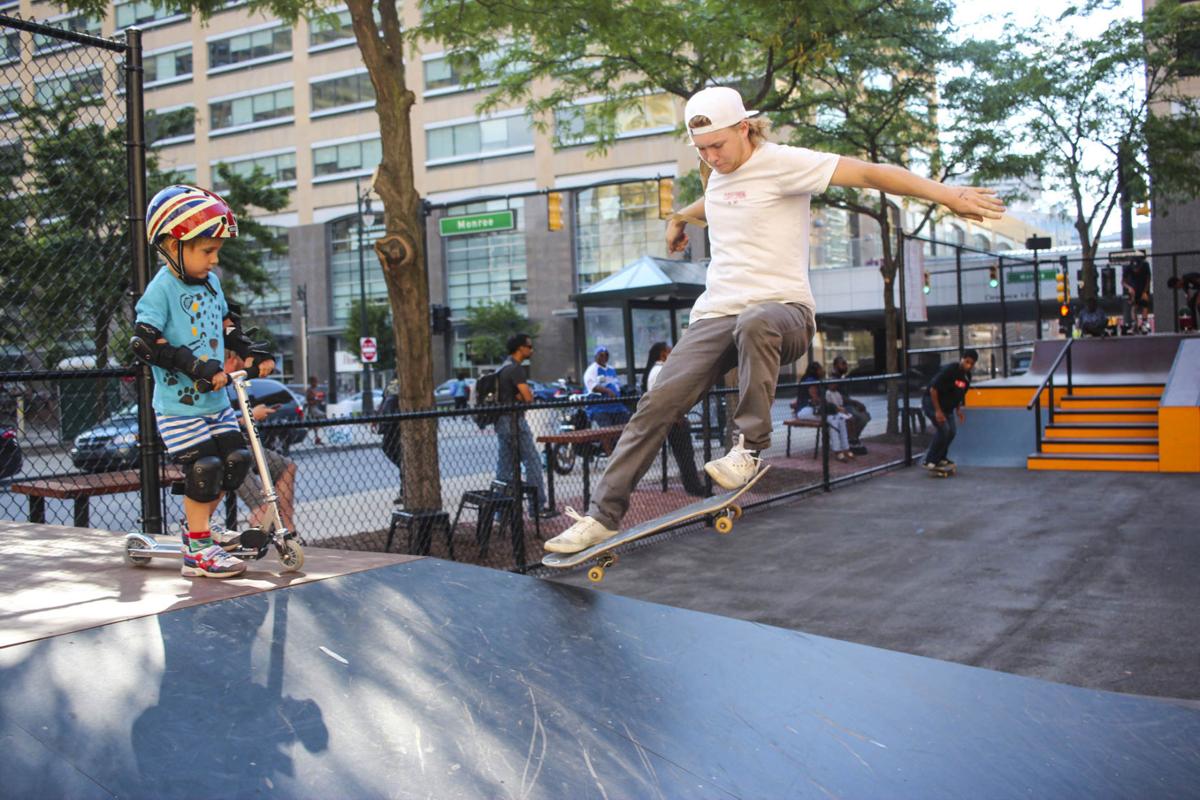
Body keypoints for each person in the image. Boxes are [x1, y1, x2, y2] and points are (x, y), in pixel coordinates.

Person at [544, 86, 1003, 553]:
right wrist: (679, 217)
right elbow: (721, 202)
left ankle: (749, 448)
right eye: (701, 151)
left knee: (755, 321)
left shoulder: (785, 162)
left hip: (784, 313)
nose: (712, 158)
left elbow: (869, 172)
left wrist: (947, 195)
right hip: (716, 314)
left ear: (744, 128)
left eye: (718, 146)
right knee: (656, 404)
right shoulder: (716, 173)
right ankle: (602, 517)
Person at [132, 184, 275, 578]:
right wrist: (197, 367)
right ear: (172, 244)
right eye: (206, 251)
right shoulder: (161, 290)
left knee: (236, 461)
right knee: (205, 467)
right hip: (180, 407)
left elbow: (226, 325)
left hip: (215, 403)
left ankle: (199, 530)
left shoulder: (211, 284)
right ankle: (197, 552)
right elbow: (145, 344)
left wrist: (252, 353)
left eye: (216, 252)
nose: (214, 260)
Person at [225, 354, 297, 534]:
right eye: (244, 362)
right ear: (234, 359)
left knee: (287, 466)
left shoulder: (231, 384)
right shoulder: (211, 382)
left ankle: (287, 527)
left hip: (240, 447)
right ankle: (259, 527)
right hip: (223, 451)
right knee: (239, 461)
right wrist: (247, 418)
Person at [494, 333, 556, 518]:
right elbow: (528, 397)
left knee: (504, 467)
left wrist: (520, 396)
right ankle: (537, 507)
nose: (531, 350)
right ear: (520, 348)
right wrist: (524, 396)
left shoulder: (502, 368)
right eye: (529, 346)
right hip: (514, 421)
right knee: (533, 462)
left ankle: (500, 511)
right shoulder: (516, 369)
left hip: (501, 421)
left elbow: (520, 395)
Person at [644, 342, 705, 496]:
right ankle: (693, 487)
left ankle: (693, 485)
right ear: (662, 354)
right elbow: (665, 396)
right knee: (684, 454)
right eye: (669, 351)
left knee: (685, 454)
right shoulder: (660, 371)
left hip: (670, 416)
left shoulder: (658, 370)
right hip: (671, 418)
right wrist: (676, 415)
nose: (672, 353)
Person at [922, 350, 977, 471]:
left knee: (952, 431)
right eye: (966, 361)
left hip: (947, 406)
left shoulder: (967, 378)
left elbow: (959, 394)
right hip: (932, 402)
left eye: (971, 364)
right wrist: (938, 411)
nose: (968, 365)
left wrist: (958, 410)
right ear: (962, 359)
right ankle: (930, 460)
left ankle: (941, 458)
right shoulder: (950, 370)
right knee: (944, 430)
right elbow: (933, 390)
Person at [791, 362, 853, 461]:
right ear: (815, 370)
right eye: (820, 369)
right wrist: (835, 408)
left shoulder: (816, 380)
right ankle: (838, 451)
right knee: (833, 419)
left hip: (814, 410)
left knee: (840, 418)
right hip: (805, 410)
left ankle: (846, 448)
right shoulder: (810, 380)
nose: (822, 371)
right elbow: (816, 400)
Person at [582, 345, 632, 427]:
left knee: (625, 428)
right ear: (595, 356)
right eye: (601, 355)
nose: (604, 357)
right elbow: (593, 387)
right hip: (600, 408)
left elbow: (616, 384)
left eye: (606, 355)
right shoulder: (592, 370)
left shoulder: (611, 369)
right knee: (607, 433)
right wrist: (607, 391)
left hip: (616, 407)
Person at [830, 356, 870, 452]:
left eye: (846, 364)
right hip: (840, 407)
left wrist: (855, 403)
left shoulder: (842, 378)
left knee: (866, 416)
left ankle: (852, 439)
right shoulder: (833, 379)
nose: (845, 366)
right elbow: (837, 397)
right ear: (835, 366)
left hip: (848, 405)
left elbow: (846, 397)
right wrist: (854, 402)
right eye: (843, 364)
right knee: (858, 417)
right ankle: (851, 440)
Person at [376, 377, 403, 504]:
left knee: (401, 453)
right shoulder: (391, 382)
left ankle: (404, 490)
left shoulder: (407, 381)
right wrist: (378, 417)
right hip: (388, 421)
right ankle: (404, 467)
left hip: (399, 422)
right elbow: (384, 400)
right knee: (387, 447)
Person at [1122, 259, 1152, 333]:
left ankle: (1144, 323)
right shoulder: (1128, 268)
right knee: (1134, 305)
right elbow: (1123, 282)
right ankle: (1134, 323)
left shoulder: (1145, 266)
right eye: (1134, 269)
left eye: (1137, 269)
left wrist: (1145, 291)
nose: (1136, 270)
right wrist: (1129, 288)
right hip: (1133, 287)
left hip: (1143, 286)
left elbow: (1148, 279)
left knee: (1144, 303)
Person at [304, 376, 326, 445]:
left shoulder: (313, 390)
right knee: (323, 415)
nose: (317, 383)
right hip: (312, 409)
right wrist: (317, 400)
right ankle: (312, 428)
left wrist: (318, 400)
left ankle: (317, 438)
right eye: (316, 382)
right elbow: (309, 401)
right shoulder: (310, 391)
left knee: (315, 423)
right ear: (312, 382)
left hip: (314, 408)